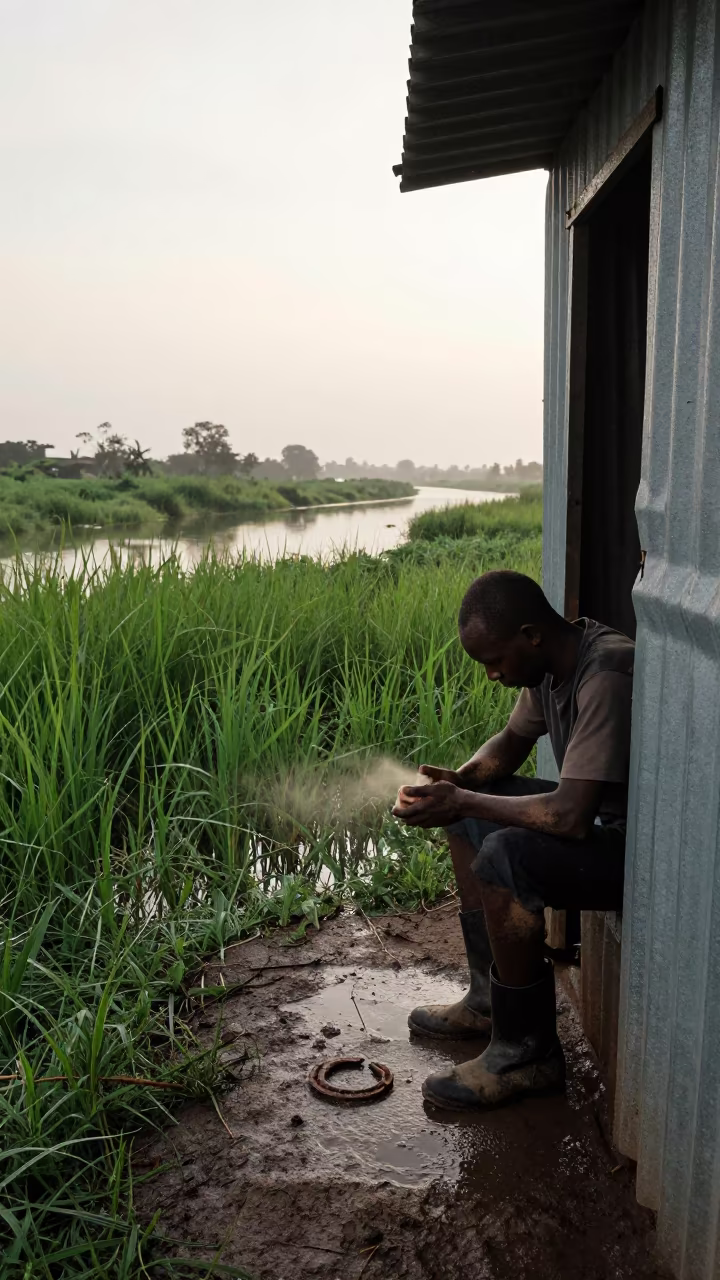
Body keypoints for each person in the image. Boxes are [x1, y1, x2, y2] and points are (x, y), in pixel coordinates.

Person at [392, 569, 634, 1111]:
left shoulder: (607, 671)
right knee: (468, 817)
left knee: (502, 853)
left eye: (494, 660)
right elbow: (509, 744)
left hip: (635, 852)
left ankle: (528, 1054)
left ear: (531, 635)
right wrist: (458, 784)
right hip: (597, 828)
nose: (492, 675)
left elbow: (570, 817)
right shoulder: (548, 668)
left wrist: (470, 800)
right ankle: (486, 999)